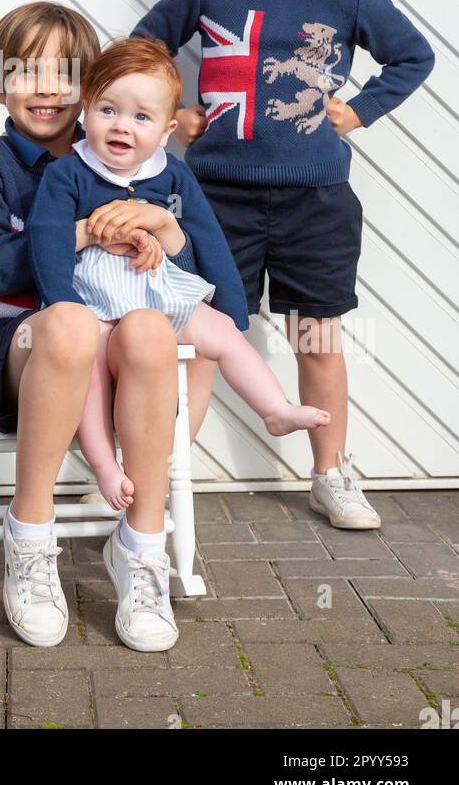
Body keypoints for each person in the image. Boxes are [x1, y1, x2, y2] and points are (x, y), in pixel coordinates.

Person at [132, 0, 435, 529]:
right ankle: (167, 474)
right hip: (213, 200)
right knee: (203, 335)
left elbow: (413, 56)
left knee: (318, 337)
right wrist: (171, 110)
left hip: (315, 201)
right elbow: (144, 48)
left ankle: (330, 473)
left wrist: (357, 112)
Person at [0, 3, 184, 651]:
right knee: (71, 323)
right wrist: (72, 233)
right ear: (0, 84)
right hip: (11, 345)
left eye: (67, 72)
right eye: (28, 70)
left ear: (92, 86)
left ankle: (140, 548)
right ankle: (29, 532)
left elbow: (177, 262)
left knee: (153, 331)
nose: (48, 87)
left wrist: (158, 230)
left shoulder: (119, 161)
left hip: (109, 347)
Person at [27, 37, 330, 513]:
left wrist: (228, 307)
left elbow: (207, 239)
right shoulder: (68, 174)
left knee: (223, 333)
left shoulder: (172, 175)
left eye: (141, 117)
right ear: (85, 110)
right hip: (99, 300)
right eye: (108, 110)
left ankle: (274, 408)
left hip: (159, 291)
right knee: (88, 368)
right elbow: (46, 241)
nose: (122, 126)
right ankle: (106, 465)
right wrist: (62, 301)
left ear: (166, 130)